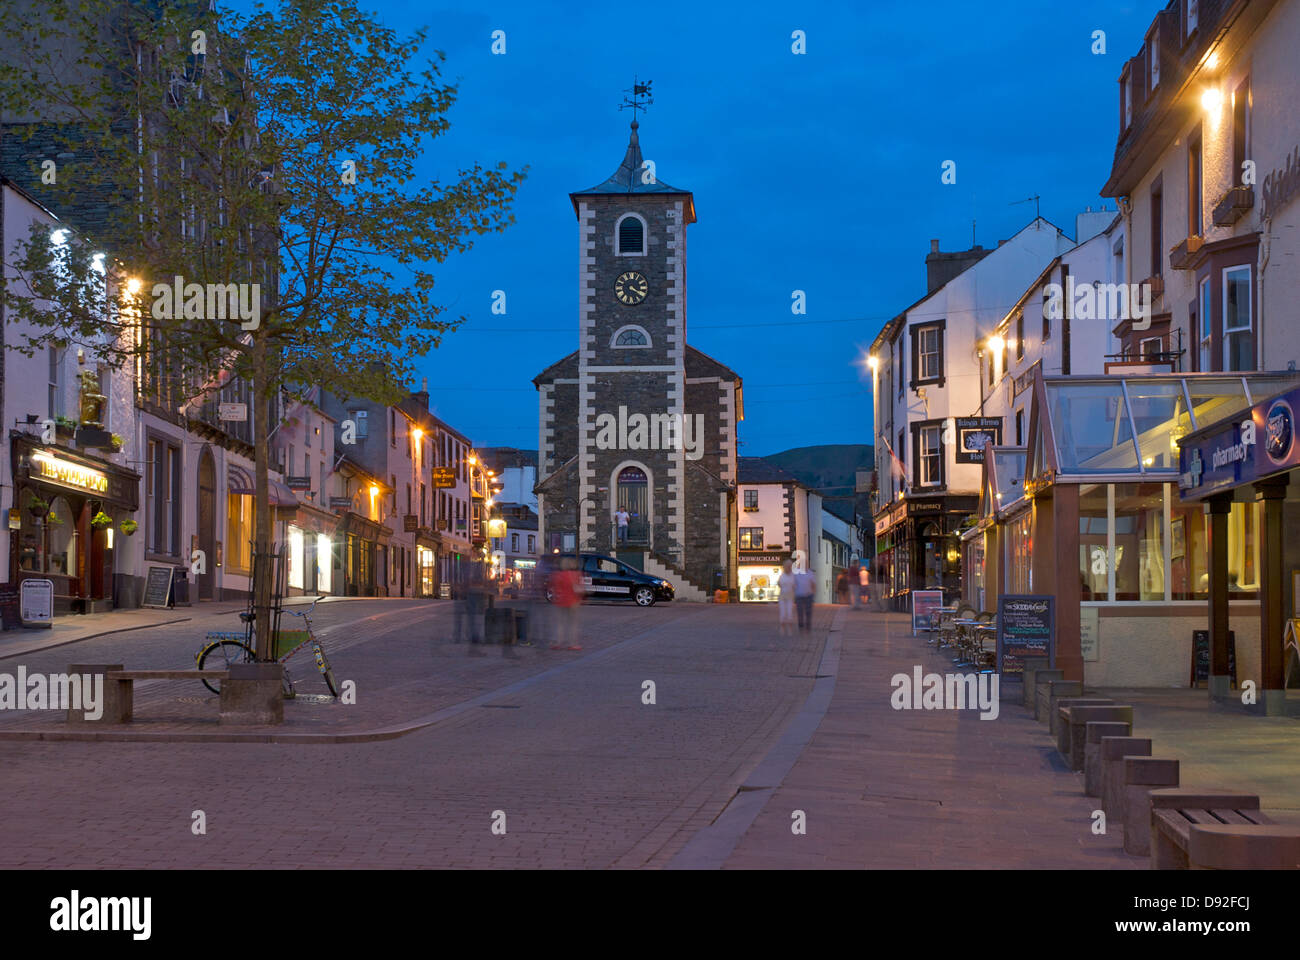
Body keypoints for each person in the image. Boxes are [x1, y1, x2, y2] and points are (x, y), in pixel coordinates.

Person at [549, 556, 586, 650]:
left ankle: (558, 642)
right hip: (573, 601)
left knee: (560, 623)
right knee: (572, 624)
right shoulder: (576, 574)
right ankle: (572, 644)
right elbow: (579, 588)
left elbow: (553, 588)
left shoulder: (557, 575)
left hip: (560, 601)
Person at [793, 563, 816, 633]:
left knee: (808, 611)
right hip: (799, 595)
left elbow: (813, 584)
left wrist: (813, 593)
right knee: (800, 611)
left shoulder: (810, 573)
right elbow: (793, 583)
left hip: (808, 595)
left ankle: (808, 625)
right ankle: (801, 625)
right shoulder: (796, 573)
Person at [776, 559, 796, 636]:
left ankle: (789, 629)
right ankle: (782, 629)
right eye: (787, 566)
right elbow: (779, 583)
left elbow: (794, 586)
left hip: (790, 596)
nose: (788, 567)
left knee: (789, 612)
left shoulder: (793, 576)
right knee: (783, 613)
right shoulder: (782, 575)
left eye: (789, 566)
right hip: (782, 596)